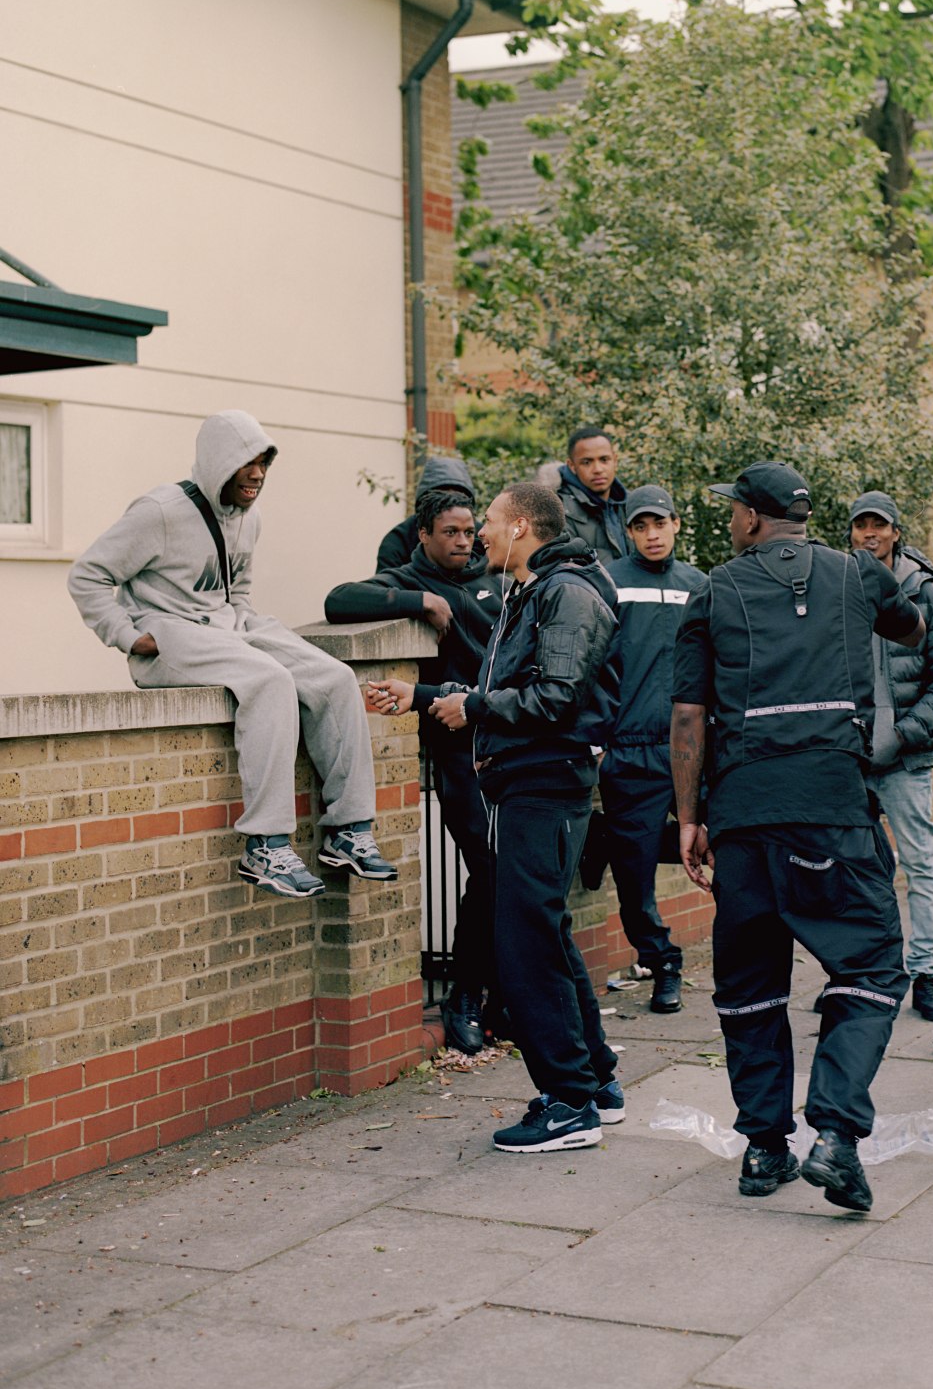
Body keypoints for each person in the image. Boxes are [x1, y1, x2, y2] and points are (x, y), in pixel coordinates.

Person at [672, 462, 924, 1213]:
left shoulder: (712, 591)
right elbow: (910, 627)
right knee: (872, 963)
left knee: (749, 986)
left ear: (753, 518)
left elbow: (688, 718)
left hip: (745, 815)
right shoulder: (857, 573)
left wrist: (689, 818)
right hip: (830, 808)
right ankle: (837, 1136)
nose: (728, 523)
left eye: (732, 512)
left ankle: (763, 1150)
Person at [68, 410, 390, 898]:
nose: (257, 474)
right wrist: (128, 636)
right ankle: (266, 843)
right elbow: (87, 576)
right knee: (270, 681)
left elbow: (236, 590)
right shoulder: (159, 511)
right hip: (168, 635)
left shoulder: (248, 518)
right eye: (247, 463)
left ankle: (348, 830)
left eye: (264, 463)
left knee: (334, 677)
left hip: (226, 629)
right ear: (220, 463)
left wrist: (246, 621)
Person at [427, 483, 623, 1153]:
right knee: (547, 936)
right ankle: (593, 1082)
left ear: (520, 527)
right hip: (532, 786)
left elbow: (555, 697)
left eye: (488, 522)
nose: (480, 533)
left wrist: (476, 711)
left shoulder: (566, 593)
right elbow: (515, 690)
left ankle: (569, 1105)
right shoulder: (537, 591)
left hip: (545, 787)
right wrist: (431, 696)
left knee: (526, 949)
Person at [325, 487, 504, 1053]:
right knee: (491, 866)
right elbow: (338, 601)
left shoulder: (495, 578)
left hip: (509, 737)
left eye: (468, 530)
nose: (462, 540)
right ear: (423, 534)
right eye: (448, 531)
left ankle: (499, 993)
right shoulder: (404, 579)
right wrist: (418, 601)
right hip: (457, 750)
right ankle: (465, 996)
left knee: (511, 873)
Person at [849, 492, 933, 1023]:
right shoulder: (838, 587)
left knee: (920, 864)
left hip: (905, 758)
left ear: (897, 532)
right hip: (849, 759)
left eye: (880, 525)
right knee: (855, 870)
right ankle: (862, 973)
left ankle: (926, 973)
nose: (870, 533)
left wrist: (904, 732)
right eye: (860, 525)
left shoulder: (926, 595)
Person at [600, 485, 707, 1014]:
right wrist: (599, 741)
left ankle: (747, 960)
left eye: (659, 523)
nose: (652, 534)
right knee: (634, 876)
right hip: (631, 750)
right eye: (641, 526)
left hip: (695, 750)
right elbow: (595, 663)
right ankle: (663, 961)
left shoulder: (700, 585)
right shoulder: (610, 582)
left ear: (676, 524)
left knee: (730, 850)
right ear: (628, 531)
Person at [375, 456, 480, 573]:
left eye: (469, 533)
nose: (463, 541)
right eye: (450, 532)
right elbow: (382, 587)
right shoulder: (398, 540)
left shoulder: (483, 535)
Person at [557, 426, 630, 562]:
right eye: (586, 462)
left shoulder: (631, 504)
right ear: (572, 466)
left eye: (604, 460)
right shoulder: (559, 512)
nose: (597, 469)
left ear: (615, 461)